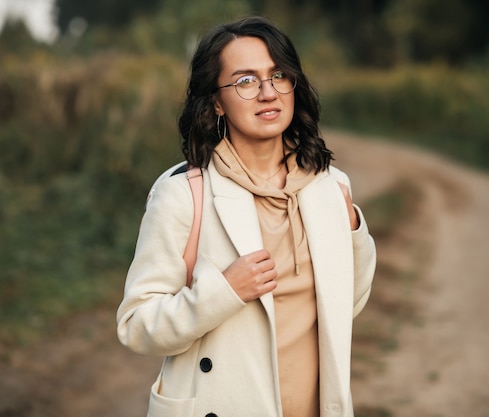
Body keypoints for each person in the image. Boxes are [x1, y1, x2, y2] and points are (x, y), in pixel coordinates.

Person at [116, 16, 376, 417]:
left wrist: (354, 229)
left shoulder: (328, 185)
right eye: (246, 81)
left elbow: (347, 306)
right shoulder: (183, 193)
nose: (268, 93)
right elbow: (136, 326)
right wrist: (224, 291)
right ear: (216, 101)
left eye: (278, 75)